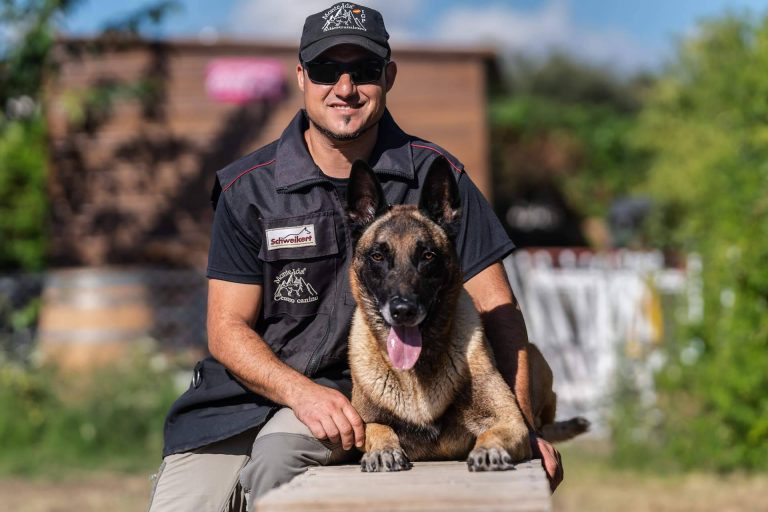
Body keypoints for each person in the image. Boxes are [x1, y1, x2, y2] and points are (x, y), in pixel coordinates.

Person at [147, 3, 563, 511]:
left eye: (364, 70)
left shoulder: (438, 177)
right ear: (301, 77)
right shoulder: (248, 188)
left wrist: (521, 427)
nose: (345, 88)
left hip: (348, 398)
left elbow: (499, 311)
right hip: (239, 399)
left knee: (276, 467)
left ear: (388, 77)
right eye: (326, 70)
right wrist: (298, 393)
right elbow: (226, 328)